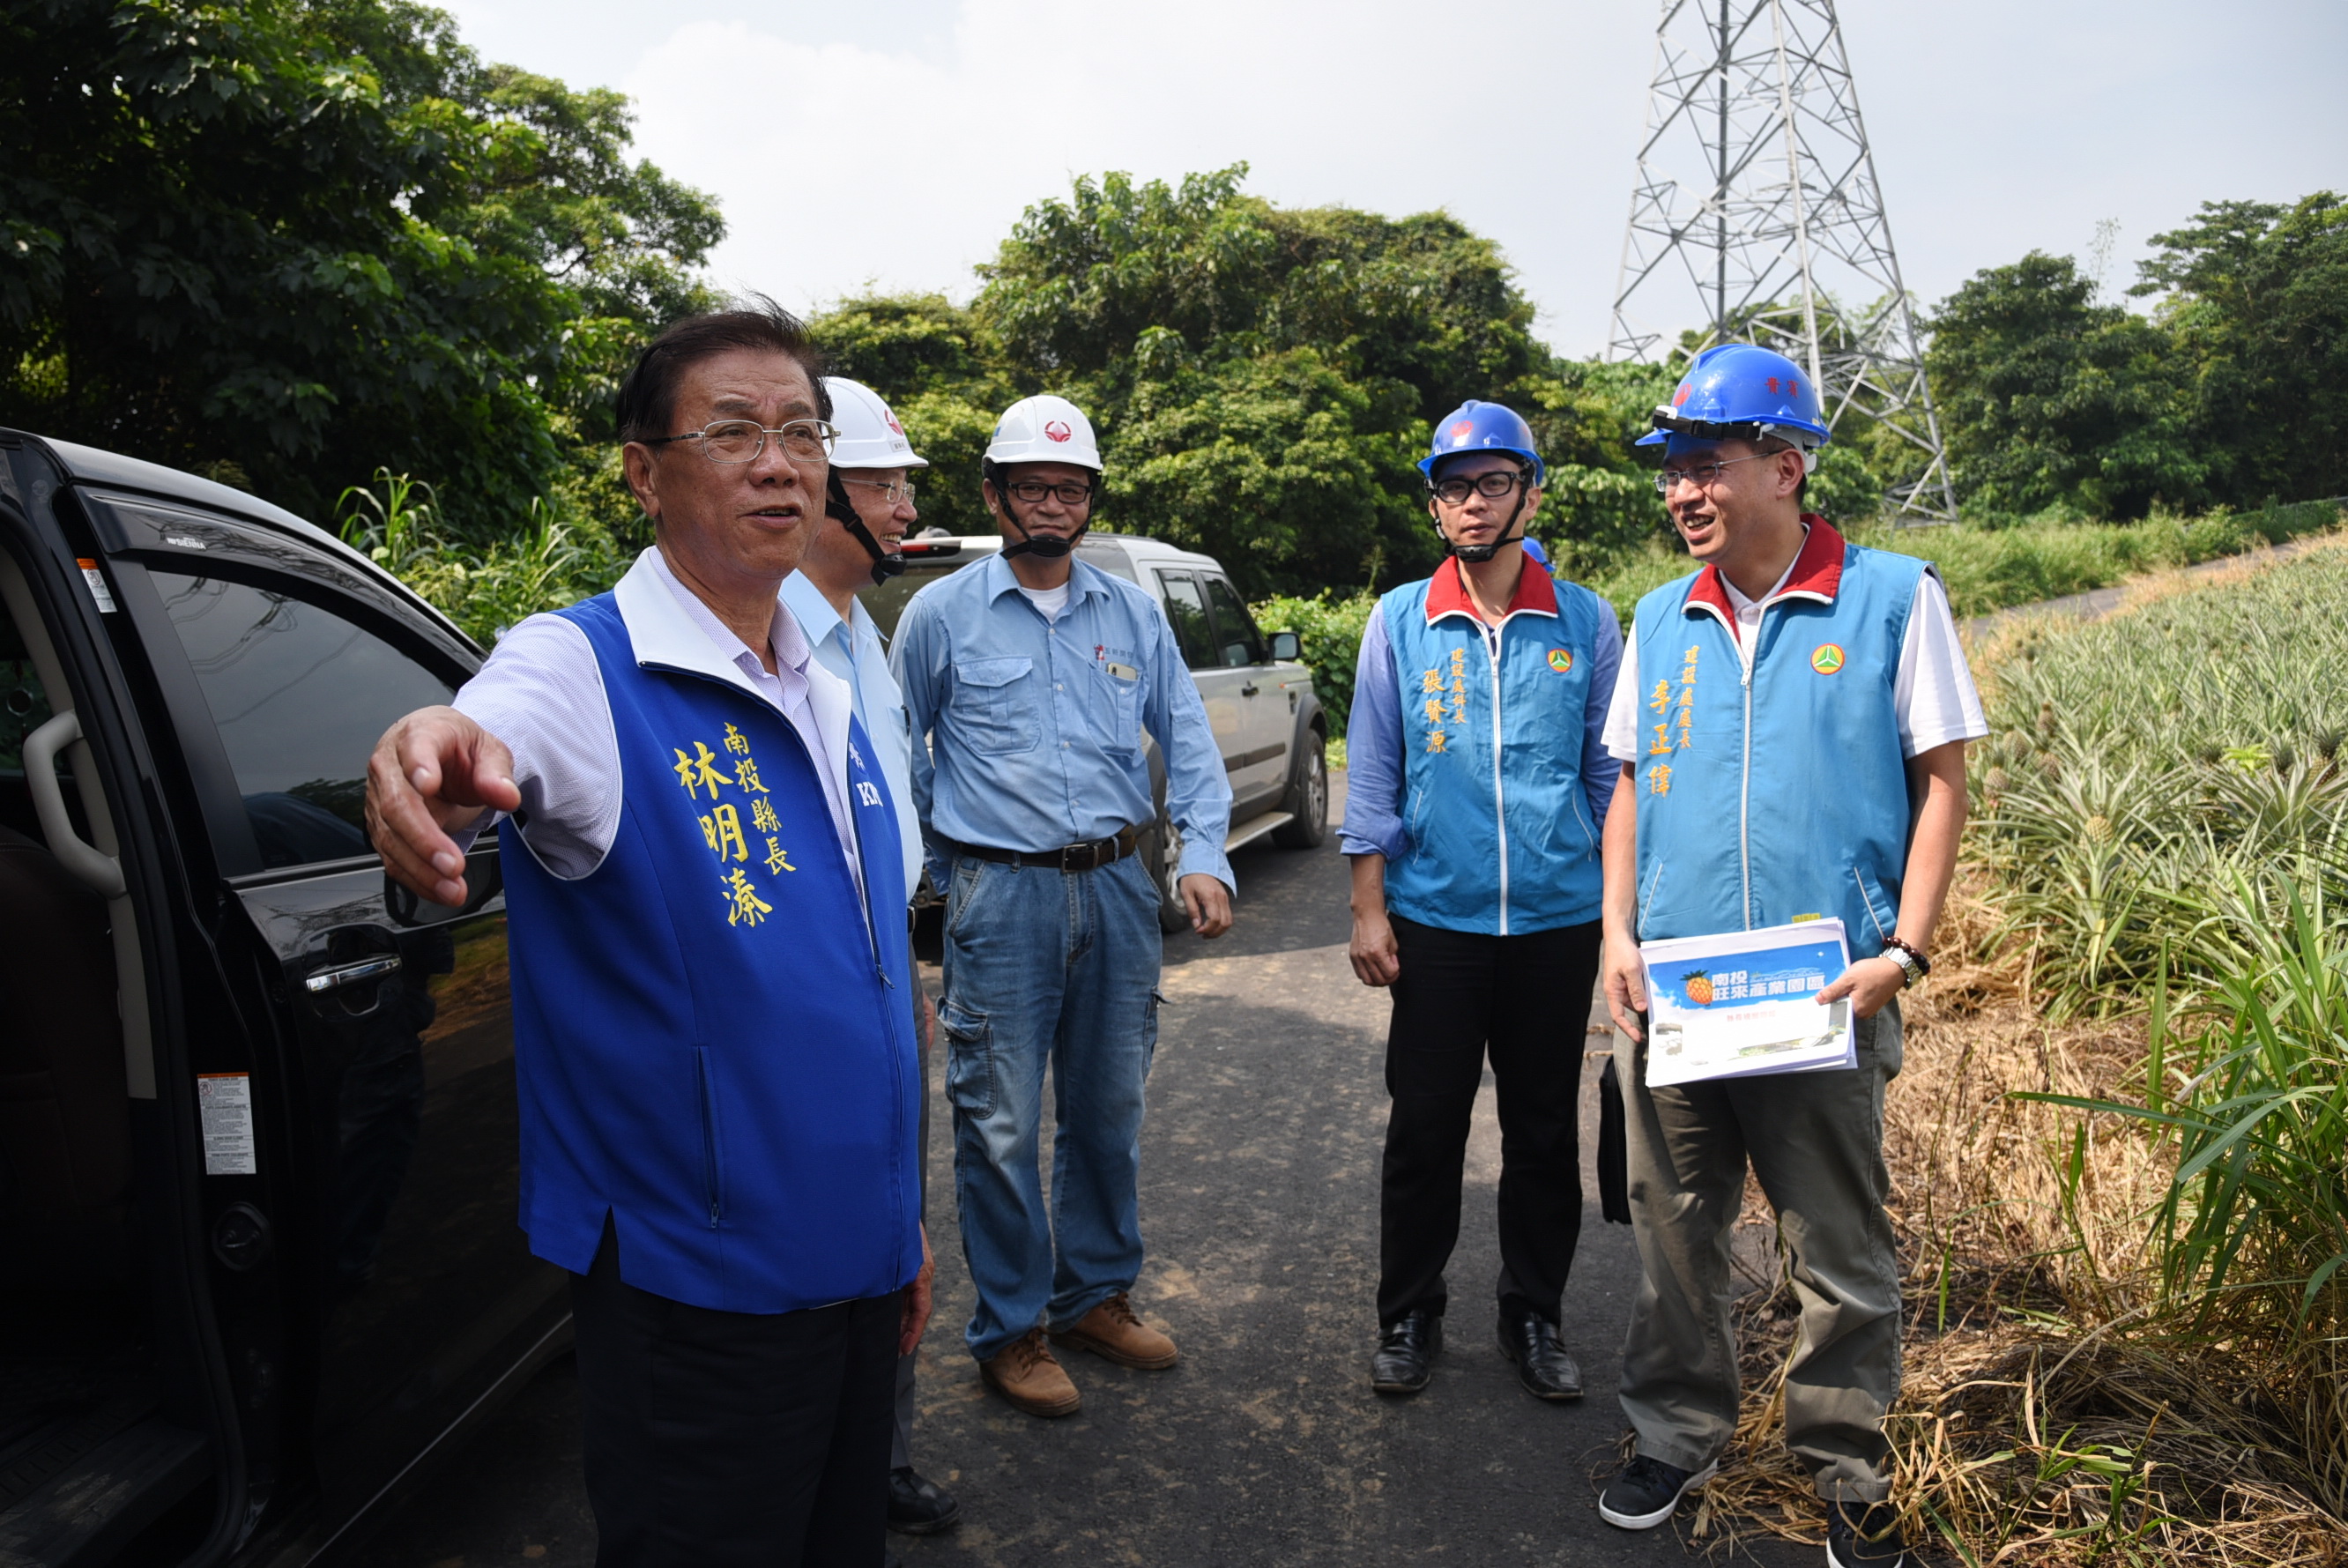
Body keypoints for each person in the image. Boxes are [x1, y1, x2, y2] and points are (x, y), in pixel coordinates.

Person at [364, 304, 931, 1568]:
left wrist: (903, 1228)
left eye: (802, 432)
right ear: (643, 470)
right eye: (732, 432)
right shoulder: (582, 667)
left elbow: (860, 967)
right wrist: (434, 750)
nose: (779, 464)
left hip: (858, 1257)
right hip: (698, 1287)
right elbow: (486, 729)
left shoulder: (824, 680)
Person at [1594, 343, 1983, 1568]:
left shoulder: (1890, 597)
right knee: (1674, 1231)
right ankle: (1674, 1432)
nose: (1682, 492)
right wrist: (1617, 933)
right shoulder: (1661, 616)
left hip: (1826, 988)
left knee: (1838, 1244)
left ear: (1785, 466)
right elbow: (1629, 784)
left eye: (1704, 465)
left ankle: (1847, 1466)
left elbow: (1943, 780)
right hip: (1683, 990)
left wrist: (1903, 951)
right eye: (1672, 471)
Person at [888, 394, 1234, 1419]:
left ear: (1091, 500)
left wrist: (1203, 854)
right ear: (994, 495)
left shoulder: (1131, 613)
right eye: (1032, 486)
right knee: (997, 1122)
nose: (1052, 504)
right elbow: (902, 751)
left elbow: (1187, 735)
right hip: (1001, 897)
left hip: (1119, 889)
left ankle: (1094, 1298)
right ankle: (1012, 1327)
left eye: (1071, 488)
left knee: (1109, 1110)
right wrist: (947, 874)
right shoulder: (939, 615)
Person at [1340, 401, 1621, 1401]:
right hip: (1438, 920)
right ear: (1435, 506)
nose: (1474, 503)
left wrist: (1620, 917)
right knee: (1425, 1127)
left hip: (1556, 922)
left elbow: (1609, 779)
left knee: (1544, 1131)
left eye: (1495, 483)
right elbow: (1373, 768)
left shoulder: (1586, 620)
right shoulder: (1399, 620)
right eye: (1455, 487)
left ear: (1530, 496)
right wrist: (1369, 907)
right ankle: (1409, 1314)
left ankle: (1534, 1314)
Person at [776, 375, 960, 1541]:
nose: (905, 507)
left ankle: (877, 1454)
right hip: (811, 981)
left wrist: (904, 967)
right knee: (823, 1224)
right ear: (821, 489)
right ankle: (816, 1464)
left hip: (883, 964)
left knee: (898, 1220)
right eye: (885, 484)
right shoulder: (771, 631)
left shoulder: (863, 631)